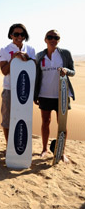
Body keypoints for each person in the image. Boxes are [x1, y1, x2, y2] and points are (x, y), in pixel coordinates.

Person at [34, 30, 75, 163]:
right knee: (45, 122)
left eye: (56, 37)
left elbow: (72, 72)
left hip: (61, 94)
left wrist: (66, 71)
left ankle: (61, 152)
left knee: (62, 125)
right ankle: (45, 149)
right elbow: (36, 76)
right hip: (44, 94)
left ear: (59, 39)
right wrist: (35, 94)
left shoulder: (65, 54)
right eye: (50, 37)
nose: (53, 39)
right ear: (45, 39)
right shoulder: (40, 56)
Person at [0, 23, 35, 143]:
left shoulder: (30, 50)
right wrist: (13, 59)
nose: (19, 36)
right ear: (11, 35)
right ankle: (9, 145)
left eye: (22, 34)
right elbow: (4, 71)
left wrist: (27, 59)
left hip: (25, 89)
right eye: (16, 34)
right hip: (9, 88)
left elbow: (34, 68)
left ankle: (21, 144)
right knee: (7, 119)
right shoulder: (5, 50)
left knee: (23, 118)